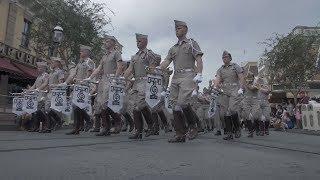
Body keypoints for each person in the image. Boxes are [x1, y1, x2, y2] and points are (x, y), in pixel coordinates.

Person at [160, 20, 204, 143]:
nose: (177, 30)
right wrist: (158, 68)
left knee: (183, 102)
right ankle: (180, 133)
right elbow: (166, 62)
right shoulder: (173, 48)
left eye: (179, 28)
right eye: (176, 29)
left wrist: (199, 73)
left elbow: (199, 59)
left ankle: (193, 126)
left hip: (188, 75)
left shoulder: (192, 43)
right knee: (175, 105)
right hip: (176, 77)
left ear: (185, 29)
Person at [85, 35, 124, 136]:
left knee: (105, 103)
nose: (105, 43)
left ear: (112, 43)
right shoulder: (104, 56)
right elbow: (98, 68)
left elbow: (120, 66)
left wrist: (115, 79)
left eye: (107, 41)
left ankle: (117, 121)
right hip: (103, 80)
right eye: (105, 41)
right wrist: (90, 78)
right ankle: (106, 127)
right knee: (101, 104)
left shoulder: (116, 53)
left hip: (111, 79)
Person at [124, 33, 159, 139]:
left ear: (145, 42)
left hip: (146, 81)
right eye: (137, 41)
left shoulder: (149, 54)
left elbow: (153, 67)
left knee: (139, 105)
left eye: (140, 41)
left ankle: (150, 125)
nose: (138, 43)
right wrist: (124, 77)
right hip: (136, 82)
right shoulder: (134, 56)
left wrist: (153, 72)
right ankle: (139, 131)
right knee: (135, 107)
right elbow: (130, 69)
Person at [213, 50, 245, 140]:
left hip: (234, 90)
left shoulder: (235, 66)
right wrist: (215, 87)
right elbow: (218, 79)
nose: (224, 59)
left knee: (232, 109)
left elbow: (241, 77)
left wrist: (241, 88)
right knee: (224, 113)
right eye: (223, 57)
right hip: (225, 91)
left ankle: (237, 128)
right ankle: (229, 133)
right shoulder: (220, 69)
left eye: (226, 57)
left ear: (230, 58)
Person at [65, 45, 95, 135]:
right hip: (77, 87)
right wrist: (66, 83)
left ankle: (88, 120)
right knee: (75, 106)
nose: (80, 53)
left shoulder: (89, 62)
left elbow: (89, 75)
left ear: (86, 52)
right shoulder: (80, 62)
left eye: (81, 51)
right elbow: (73, 74)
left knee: (79, 106)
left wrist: (83, 81)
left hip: (84, 87)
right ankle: (77, 127)